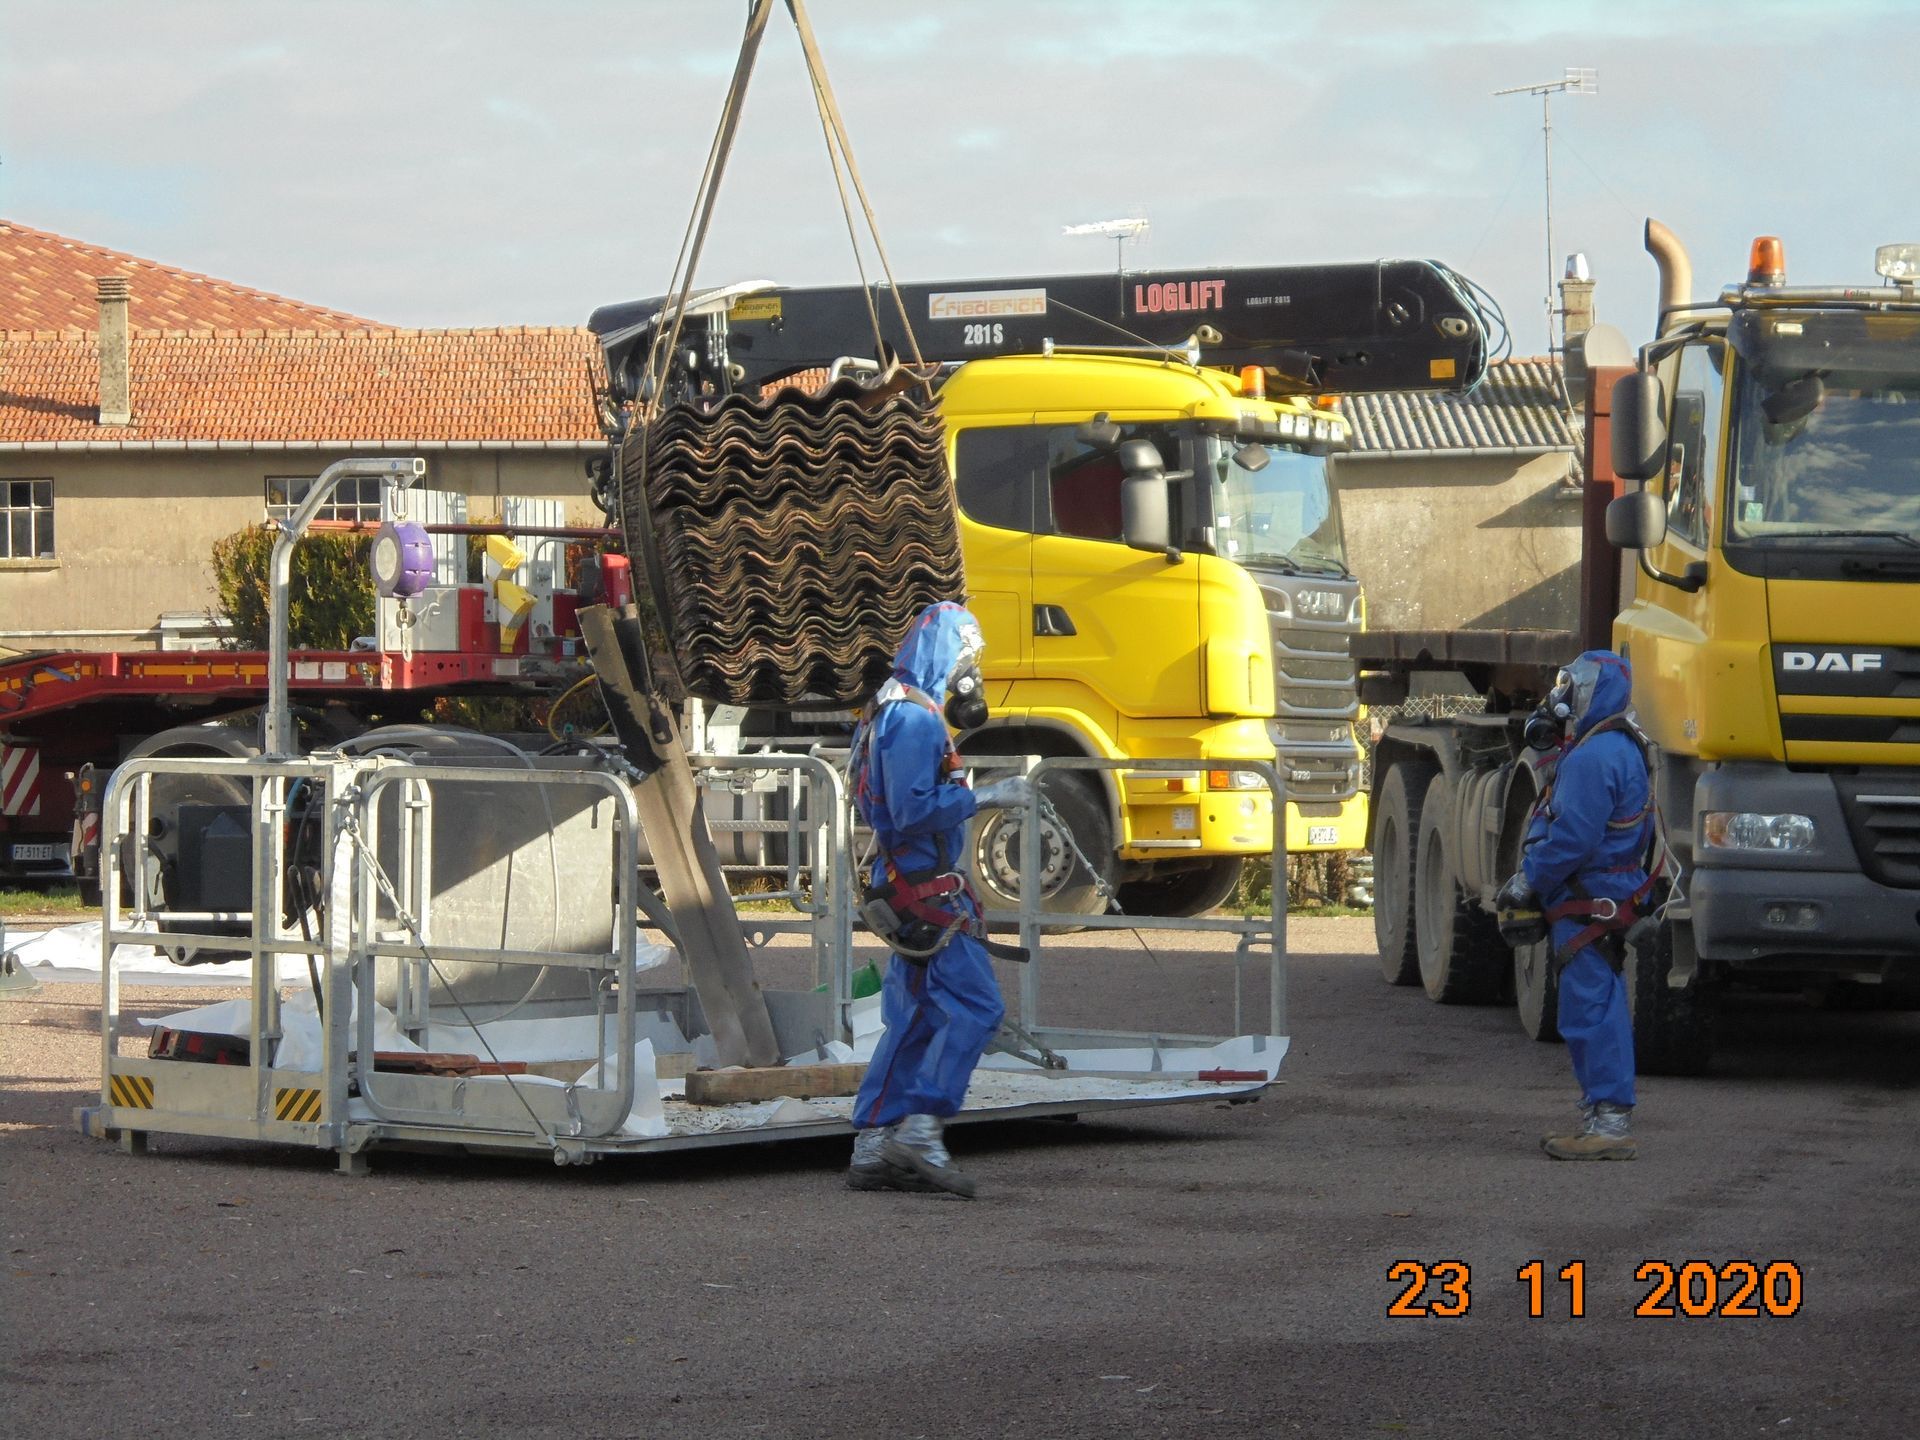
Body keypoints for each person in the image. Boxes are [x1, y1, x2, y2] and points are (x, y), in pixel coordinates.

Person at [844, 600, 1032, 1198]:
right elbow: (911, 811)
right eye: (965, 657)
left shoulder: (891, 710)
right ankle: (921, 1129)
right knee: (977, 1009)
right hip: (925, 888)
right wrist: (989, 796)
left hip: (908, 887)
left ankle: (873, 1141)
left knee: (917, 1015)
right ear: (943, 653)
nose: (968, 673)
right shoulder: (916, 720)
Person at [1496, 650, 1655, 1162]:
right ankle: (1600, 1118)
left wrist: (1528, 880)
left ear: (1589, 692)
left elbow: (1572, 839)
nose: (1560, 696)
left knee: (1591, 1009)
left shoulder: (1593, 757)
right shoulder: (1619, 747)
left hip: (1587, 899)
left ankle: (1608, 1125)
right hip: (1604, 895)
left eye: (1569, 685)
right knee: (1598, 1004)